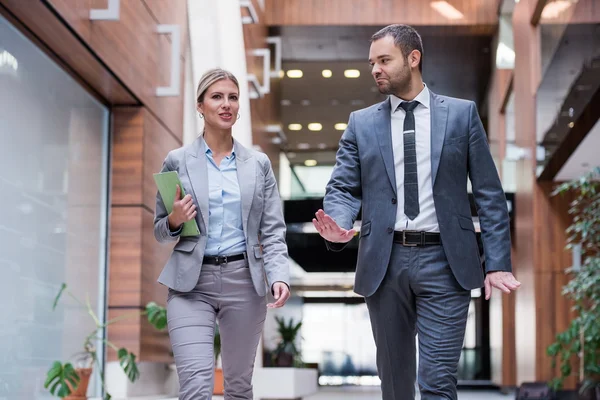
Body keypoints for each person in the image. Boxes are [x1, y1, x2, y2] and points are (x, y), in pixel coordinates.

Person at [312, 25, 521, 400]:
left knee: (438, 381)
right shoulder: (361, 124)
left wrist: (498, 262)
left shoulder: (461, 115)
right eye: (371, 62)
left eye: (384, 60)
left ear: (413, 58)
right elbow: (342, 188)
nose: (375, 68)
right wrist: (340, 224)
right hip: (385, 263)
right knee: (395, 383)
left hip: (447, 261)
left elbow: (489, 193)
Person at [153, 68, 290, 400]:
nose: (226, 104)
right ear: (200, 106)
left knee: (239, 387)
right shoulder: (177, 161)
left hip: (245, 281)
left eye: (232, 97)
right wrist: (174, 219)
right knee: (197, 386)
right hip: (190, 284)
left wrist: (279, 275)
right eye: (217, 97)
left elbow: (272, 230)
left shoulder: (257, 165)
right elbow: (161, 231)